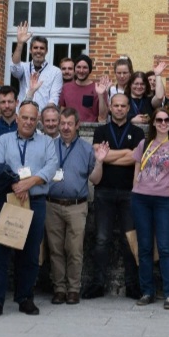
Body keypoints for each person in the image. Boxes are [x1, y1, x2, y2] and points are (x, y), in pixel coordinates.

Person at [0, 101, 58, 318]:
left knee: (30, 253)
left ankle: (25, 297)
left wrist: (29, 183)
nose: (28, 122)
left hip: (35, 202)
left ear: (38, 121)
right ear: (17, 118)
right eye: (24, 117)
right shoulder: (4, 140)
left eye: (33, 119)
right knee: (0, 252)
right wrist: (16, 183)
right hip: (8, 199)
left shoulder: (46, 142)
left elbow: (51, 167)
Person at [84, 94, 146, 300]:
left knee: (130, 240)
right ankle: (97, 284)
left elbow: (136, 157)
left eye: (123, 106)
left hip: (130, 192)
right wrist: (126, 153)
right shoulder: (100, 131)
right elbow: (99, 155)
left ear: (128, 109)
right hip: (104, 190)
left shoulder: (137, 132)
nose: (119, 109)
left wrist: (110, 156)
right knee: (101, 239)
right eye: (116, 105)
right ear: (110, 107)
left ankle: (132, 285)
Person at [45, 108, 104, 306]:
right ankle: (59, 289)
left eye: (70, 123)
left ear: (77, 125)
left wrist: (100, 162)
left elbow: (95, 179)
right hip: (52, 204)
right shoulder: (49, 146)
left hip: (77, 206)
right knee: (55, 249)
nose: (65, 127)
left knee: (75, 249)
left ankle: (73, 289)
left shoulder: (86, 149)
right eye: (62, 123)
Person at [131, 108, 169, 309]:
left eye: (166, 120)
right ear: (153, 123)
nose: (163, 123)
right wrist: (135, 190)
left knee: (165, 247)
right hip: (141, 199)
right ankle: (147, 291)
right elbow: (137, 170)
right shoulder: (143, 144)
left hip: (164, 200)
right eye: (159, 120)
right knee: (144, 247)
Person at [10, 23, 63, 108]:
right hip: (23, 113)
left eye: (42, 48)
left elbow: (54, 98)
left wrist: (45, 114)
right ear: (30, 50)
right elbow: (14, 68)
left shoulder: (56, 72)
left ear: (46, 51)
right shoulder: (24, 67)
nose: (38, 51)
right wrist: (20, 43)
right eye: (35, 48)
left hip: (43, 114)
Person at [60, 55, 106, 123]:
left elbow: (103, 116)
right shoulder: (66, 88)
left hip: (90, 128)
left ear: (90, 70)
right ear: (74, 69)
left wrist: (101, 96)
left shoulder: (98, 88)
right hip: (70, 127)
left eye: (85, 67)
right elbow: (62, 112)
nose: (81, 71)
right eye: (78, 67)